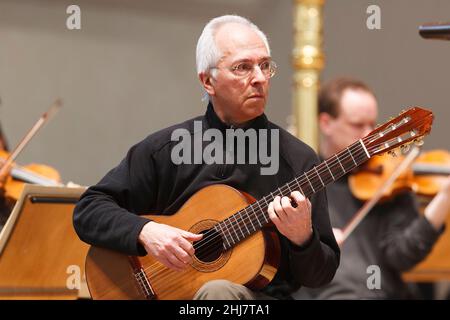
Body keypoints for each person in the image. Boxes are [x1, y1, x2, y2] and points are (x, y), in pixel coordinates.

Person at [73, 15, 340, 300]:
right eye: (243, 67)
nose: (260, 78)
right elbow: (89, 209)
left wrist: (303, 238)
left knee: (217, 294)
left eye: (264, 65)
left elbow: (320, 276)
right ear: (207, 81)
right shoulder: (167, 149)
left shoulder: (297, 160)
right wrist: (146, 231)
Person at [294, 77, 448, 300]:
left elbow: (402, 256)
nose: (369, 135)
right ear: (326, 123)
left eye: (372, 125)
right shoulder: (303, 182)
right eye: (357, 125)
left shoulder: (390, 180)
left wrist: (445, 198)